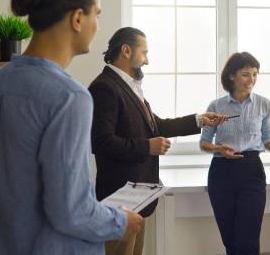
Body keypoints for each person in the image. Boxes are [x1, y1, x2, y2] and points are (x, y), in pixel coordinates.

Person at [0, 0, 143, 255]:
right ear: (77, 18)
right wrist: (121, 222)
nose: (98, 25)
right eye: (96, 15)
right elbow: (72, 211)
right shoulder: (70, 98)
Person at [88, 26, 226, 255]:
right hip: (119, 199)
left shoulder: (129, 87)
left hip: (138, 198)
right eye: (144, 53)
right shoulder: (105, 87)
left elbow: (155, 125)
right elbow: (100, 142)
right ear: (126, 50)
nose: (147, 60)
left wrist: (200, 120)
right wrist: (147, 146)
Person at [199, 52, 270, 255]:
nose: (252, 80)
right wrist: (218, 149)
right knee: (230, 240)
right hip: (221, 171)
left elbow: (267, 139)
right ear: (232, 76)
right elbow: (204, 143)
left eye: (255, 74)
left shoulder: (264, 104)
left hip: (251, 171)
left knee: (247, 239)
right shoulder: (216, 106)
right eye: (246, 74)